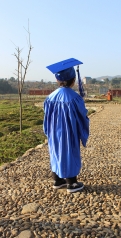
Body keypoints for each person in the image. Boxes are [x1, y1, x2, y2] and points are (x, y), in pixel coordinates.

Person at [43, 58, 89, 193]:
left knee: (56, 151)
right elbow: (82, 115)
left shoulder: (50, 97)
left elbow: (46, 117)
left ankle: (57, 180)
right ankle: (72, 183)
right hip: (69, 131)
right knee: (69, 152)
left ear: (58, 80)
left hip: (53, 131)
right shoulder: (74, 98)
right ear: (73, 80)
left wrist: (49, 131)